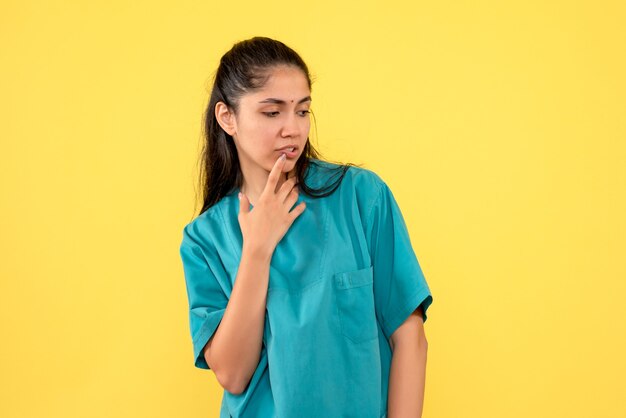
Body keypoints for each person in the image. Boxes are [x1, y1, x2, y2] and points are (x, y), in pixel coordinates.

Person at [179, 36, 433, 418]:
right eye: (272, 113)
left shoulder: (362, 198)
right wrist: (258, 248)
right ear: (226, 117)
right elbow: (232, 374)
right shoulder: (204, 239)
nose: (292, 129)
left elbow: (410, 337)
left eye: (302, 111)